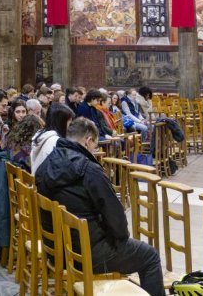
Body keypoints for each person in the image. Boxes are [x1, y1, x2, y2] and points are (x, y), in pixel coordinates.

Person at [36, 118, 165, 296]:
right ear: (88, 140)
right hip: (87, 254)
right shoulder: (89, 170)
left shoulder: (46, 163)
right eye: (95, 146)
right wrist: (120, 241)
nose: (95, 150)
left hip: (57, 249)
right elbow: (117, 219)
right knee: (149, 256)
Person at [31, 102, 74, 175]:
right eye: (69, 124)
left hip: (39, 180)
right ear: (61, 123)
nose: (70, 128)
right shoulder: (55, 141)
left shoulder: (42, 134)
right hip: (45, 183)